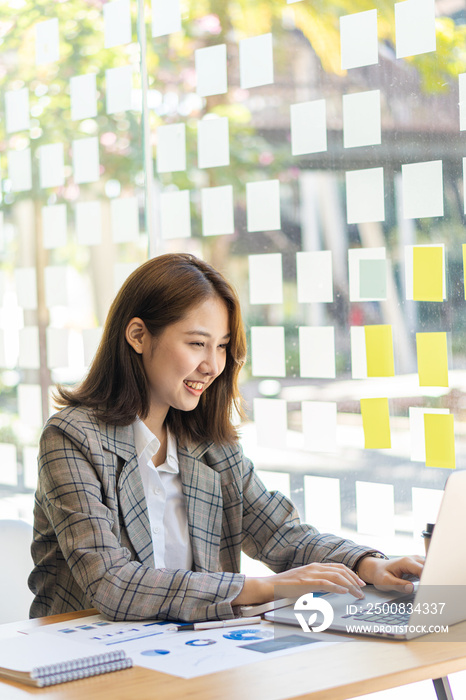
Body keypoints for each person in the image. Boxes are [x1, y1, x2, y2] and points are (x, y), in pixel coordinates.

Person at [28, 253, 423, 621]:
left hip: (190, 651)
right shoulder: (72, 438)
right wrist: (265, 586)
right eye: (197, 343)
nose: (213, 365)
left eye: (221, 347)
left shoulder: (207, 441)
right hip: (87, 663)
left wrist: (368, 565)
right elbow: (110, 583)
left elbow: (278, 534)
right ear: (138, 335)